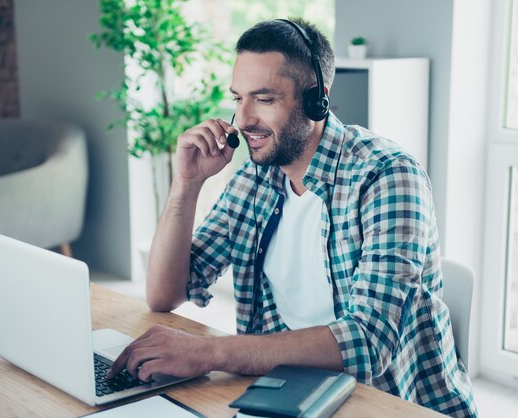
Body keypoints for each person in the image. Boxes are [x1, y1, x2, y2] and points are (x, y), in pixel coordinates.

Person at [108, 18, 477, 417]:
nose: (244, 119)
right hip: (295, 392)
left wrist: (209, 352)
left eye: (264, 99)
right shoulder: (256, 177)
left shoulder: (386, 176)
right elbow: (166, 293)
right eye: (238, 98)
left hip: (390, 402)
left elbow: (368, 343)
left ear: (316, 98)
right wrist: (186, 185)